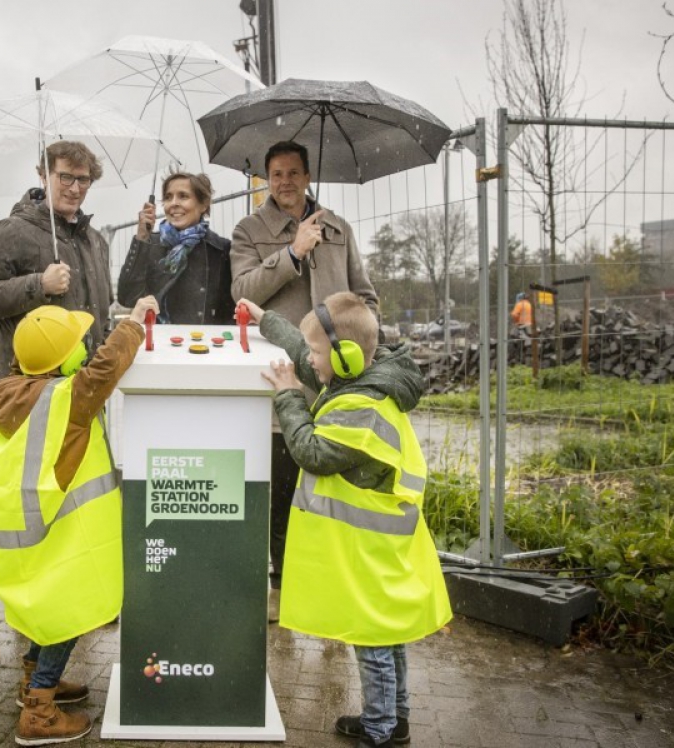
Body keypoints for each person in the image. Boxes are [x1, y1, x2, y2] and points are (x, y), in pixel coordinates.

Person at [241, 292, 451, 747]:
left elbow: (312, 453)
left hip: (370, 548)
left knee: (373, 639)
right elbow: (303, 347)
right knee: (388, 634)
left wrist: (289, 396)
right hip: (379, 543)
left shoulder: (362, 407)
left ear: (345, 356)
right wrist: (266, 319)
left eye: (317, 354)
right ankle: (397, 717)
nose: (309, 361)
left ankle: (379, 730)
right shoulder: (361, 378)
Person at [0, 295, 158, 746]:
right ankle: (39, 709)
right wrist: (132, 324)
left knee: (46, 609)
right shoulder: (66, 399)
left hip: (24, 531)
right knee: (66, 611)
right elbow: (105, 368)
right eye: (79, 343)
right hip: (59, 532)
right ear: (64, 359)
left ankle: (35, 680)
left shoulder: (5, 393)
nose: (86, 348)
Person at [230, 140, 380, 622]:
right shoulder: (250, 229)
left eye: (294, 172)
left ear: (308, 175)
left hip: (340, 381)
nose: (285, 182)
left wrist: (362, 339)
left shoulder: (337, 227)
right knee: (284, 488)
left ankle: (333, 584)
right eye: (276, 174)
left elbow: (366, 295)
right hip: (284, 372)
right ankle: (282, 585)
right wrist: (292, 253)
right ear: (265, 179)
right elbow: (242, 290)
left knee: (334, 488)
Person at [0, 141, 114, 380]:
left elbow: (103, 316)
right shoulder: (12, 231)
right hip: (27, 391)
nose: (75, 189)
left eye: (83, 180)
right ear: (44, 176)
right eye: (65, 177)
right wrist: (39, 285)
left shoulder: (96, 242)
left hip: (84, 390)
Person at [117, 170, 234, 324]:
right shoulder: (150, 244)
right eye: (168, 197)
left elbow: (227, 314)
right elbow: (127, 298)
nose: (173, 203)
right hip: (158, 342)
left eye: (183, 196)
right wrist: (141, 238)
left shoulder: (220, 249)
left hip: (201, 344)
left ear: (204, 204)